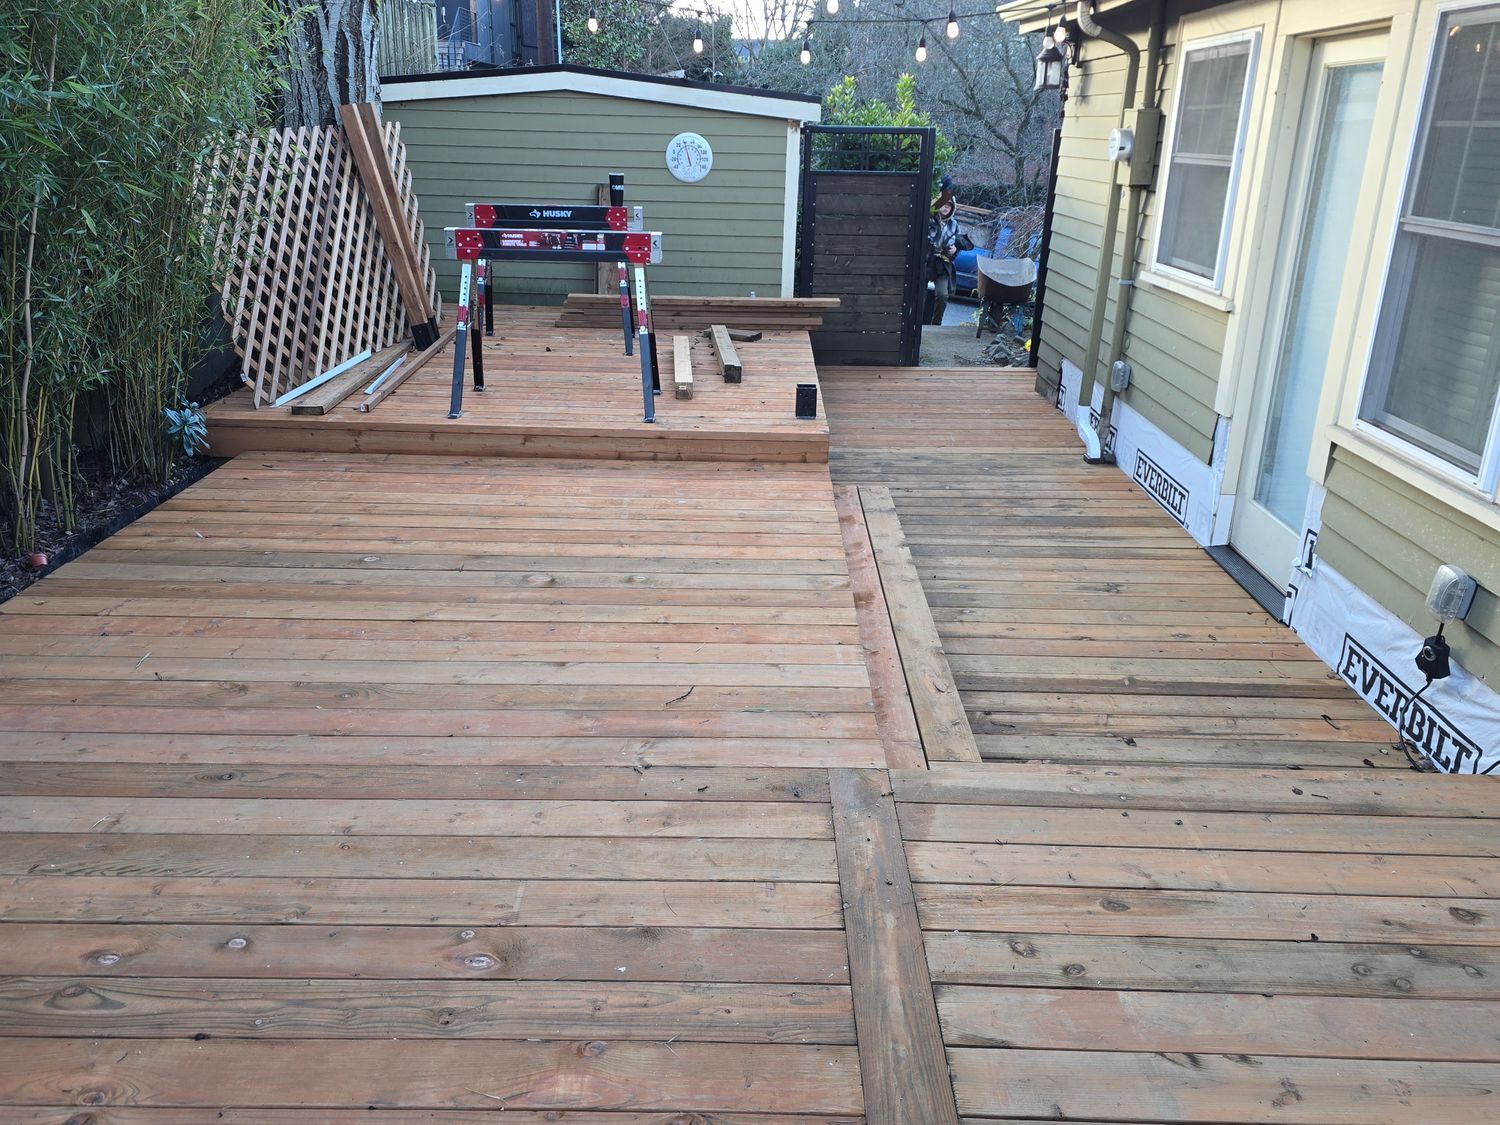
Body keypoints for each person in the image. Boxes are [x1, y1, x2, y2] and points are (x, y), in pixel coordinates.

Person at [926, 198, 960, 326]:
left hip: (942, 263)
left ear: (952, 208)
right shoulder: (928, 218)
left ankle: (936, 325)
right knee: (919, 294)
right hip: (927, 260)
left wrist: (955, 249)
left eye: (949, 206)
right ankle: (915, 324)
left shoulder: (954, 224)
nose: (945, 208)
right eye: (943, 204)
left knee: (942, 295)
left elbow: (958, 242)